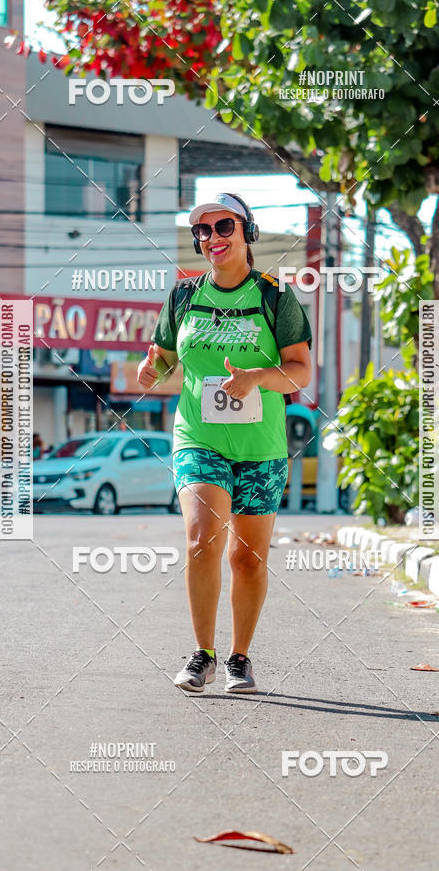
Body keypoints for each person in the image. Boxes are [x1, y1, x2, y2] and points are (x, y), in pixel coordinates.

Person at [137, 193, 312, 694]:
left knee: (248, 559)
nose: (211, 238)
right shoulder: (184, 297)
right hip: (199, 439)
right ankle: (202, 655)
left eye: (223, 227)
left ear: (246, 232)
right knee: (201, 540)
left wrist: (257, 376)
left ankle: (240, 658)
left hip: (262, 447)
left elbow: (300, 370)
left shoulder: (275, 297)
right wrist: (154, 369)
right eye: (202, 230)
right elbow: (166, 361)